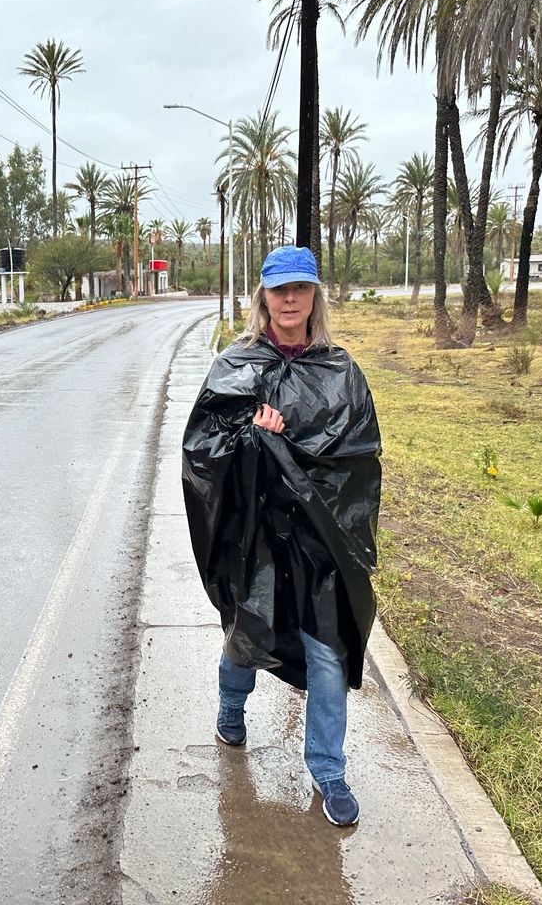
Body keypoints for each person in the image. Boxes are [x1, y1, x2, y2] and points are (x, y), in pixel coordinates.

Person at [181, 245, 382, 827]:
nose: (290, 299)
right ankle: (230, 704)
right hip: (258, 538)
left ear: (315, 294)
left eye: (300, 288)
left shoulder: (339, 370)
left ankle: (328, 769)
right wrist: (252, 437)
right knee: (249, 637)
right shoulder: (237, 365)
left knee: (326, 653)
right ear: (263, 296)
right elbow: (203, 450)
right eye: (279, 289)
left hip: (319, 541)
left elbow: (358, 457)